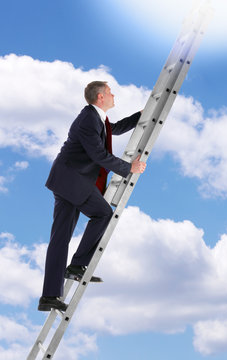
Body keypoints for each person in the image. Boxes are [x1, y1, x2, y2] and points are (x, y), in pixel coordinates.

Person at [38, 81, 146, 312]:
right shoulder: (89, 118)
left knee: (59, 238)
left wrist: (140, 116)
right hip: (72, 179)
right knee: (103, 214)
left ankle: (48, 297)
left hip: (67, 179)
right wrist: (129, 168)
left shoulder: (96, 117)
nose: (113, 95)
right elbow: (98, 154)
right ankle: (77, 266)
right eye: (110, 92)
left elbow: (112, 129)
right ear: (100, 97)